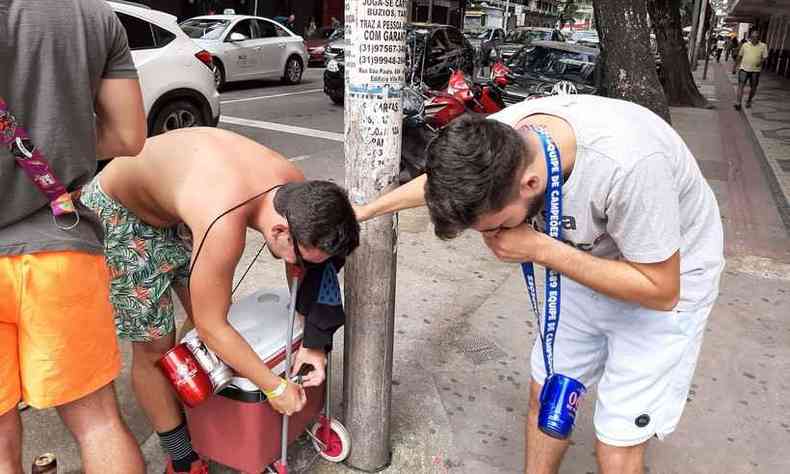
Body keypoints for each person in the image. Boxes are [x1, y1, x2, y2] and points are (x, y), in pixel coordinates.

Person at [356, 95, 724, 474]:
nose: (495, 237)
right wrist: (366, 211)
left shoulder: (630, 164)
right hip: (582, 260)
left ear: (530, 183)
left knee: (617, 440)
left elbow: (662, 290)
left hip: (665, 279)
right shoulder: (501, 140)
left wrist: (542, 250)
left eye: (497, 226)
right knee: (549, 395)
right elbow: (441, 184)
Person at [79, 127, 359, 474]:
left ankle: (194, 408)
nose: (298, 268)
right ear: (279, 233)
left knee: (202, 325)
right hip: (123, 212)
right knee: (156, 346)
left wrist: (313, 342)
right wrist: (274, 387)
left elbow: (307, 273)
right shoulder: (223, 224)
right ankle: (181, 456)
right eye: (299, 259)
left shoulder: (297, 191)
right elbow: (214, 328)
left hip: (176, 202)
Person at [0, 0, 147, 472]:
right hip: (58, 247)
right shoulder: (92, 14)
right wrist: (58, 145)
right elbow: (128, 137)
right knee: (98, 422)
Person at [734, 30, 768, 110]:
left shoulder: (763, 46)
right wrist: (734, 66)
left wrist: (761, 62)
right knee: (741, 86)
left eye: (756, 37)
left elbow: (765, 57)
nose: (754, 39)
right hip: (744, 69)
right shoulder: (745, 45)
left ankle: (749, 100)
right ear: (750, 37)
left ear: (759, 38)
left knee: (753, 87)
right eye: (753, 37)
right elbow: (740, 56)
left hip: (755, 71)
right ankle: (738, 102)